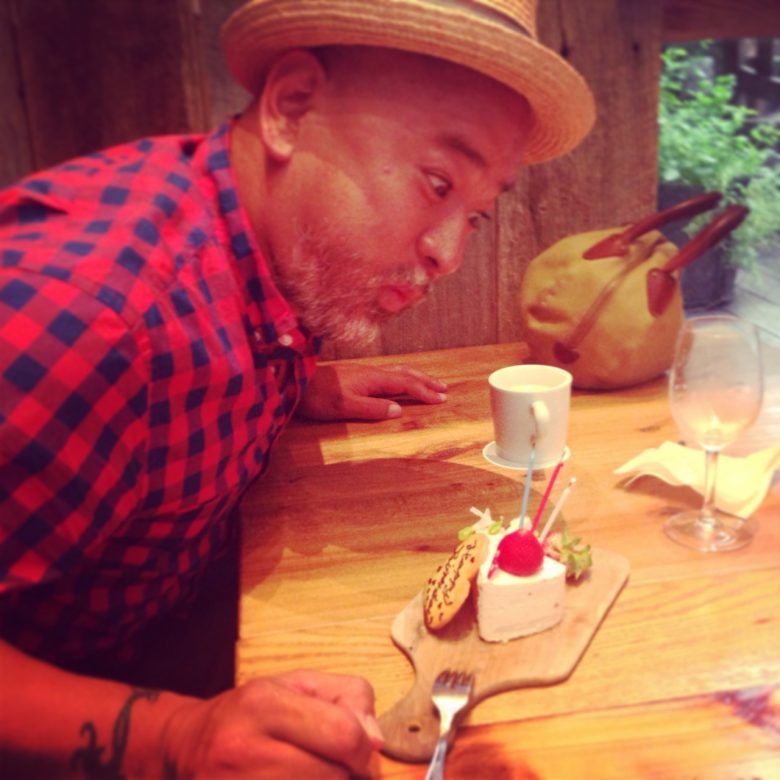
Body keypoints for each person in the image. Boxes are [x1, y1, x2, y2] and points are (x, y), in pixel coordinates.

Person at [0, 0, 594, 776]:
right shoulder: (83, 318)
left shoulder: (271, 257)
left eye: (476, 215)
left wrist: (293, 382)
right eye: (436, 181)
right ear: (291, 107)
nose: (449, 254)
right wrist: (173, 736)